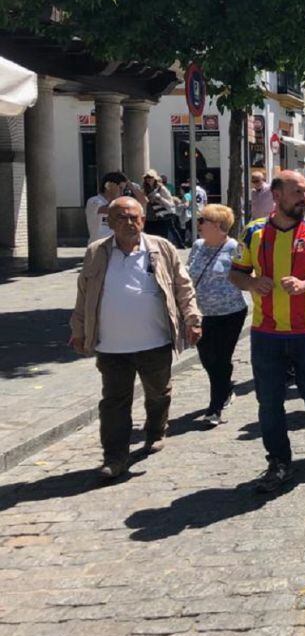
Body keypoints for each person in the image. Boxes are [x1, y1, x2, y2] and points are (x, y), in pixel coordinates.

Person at [69, 197, 202, 479]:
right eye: (122, 218)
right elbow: (84, 294)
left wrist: (192, 318)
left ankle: (156, 430)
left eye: (135, 217)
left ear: (143, 220)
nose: (129, 223)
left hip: (155, 340)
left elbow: (183, 285)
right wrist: (78, 330)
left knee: (158, 393)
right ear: (111, 221)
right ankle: (115, 458)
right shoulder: (96, 252)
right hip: (111, 344)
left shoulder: (161, 248)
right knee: (114, 401)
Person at [230, 171, 305, 492]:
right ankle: (279, 462)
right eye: (297, 191)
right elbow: (236, 274)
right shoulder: (253, 232)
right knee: (269, 402)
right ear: (277, 196)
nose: (304, 197)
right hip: (266, 333)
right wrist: (253, 282)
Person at [187, 204, 247, 426]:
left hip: (230, 313)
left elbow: (247, 275)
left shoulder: (234, 247)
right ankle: (226, 386)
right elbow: (187, 276)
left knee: (220, 358)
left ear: (219, 226)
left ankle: (215, 408)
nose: (199, 224)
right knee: (207, 359)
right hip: (202, 315)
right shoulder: (198, 246)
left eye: (203, 220)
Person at [85, 172, 146, 243]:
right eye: (120, 188)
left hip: (116, 244)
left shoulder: (118, 202)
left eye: (123, 189)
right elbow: (110, 210)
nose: (122, 192)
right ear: (108, 186)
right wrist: (113, 194)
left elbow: (143, 200)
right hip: (99, 244)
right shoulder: (94, 201)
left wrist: (129, 184)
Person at [142, 169, 181, 246]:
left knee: (162, 237)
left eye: (150, 177)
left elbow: (170, 203)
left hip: (161, 216)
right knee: (149, 238)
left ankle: (179, 245)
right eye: (147, 177)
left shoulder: (161, 189)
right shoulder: (145, 189)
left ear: (155, 179)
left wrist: (160, 198)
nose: (148, 179)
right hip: (150, 216)